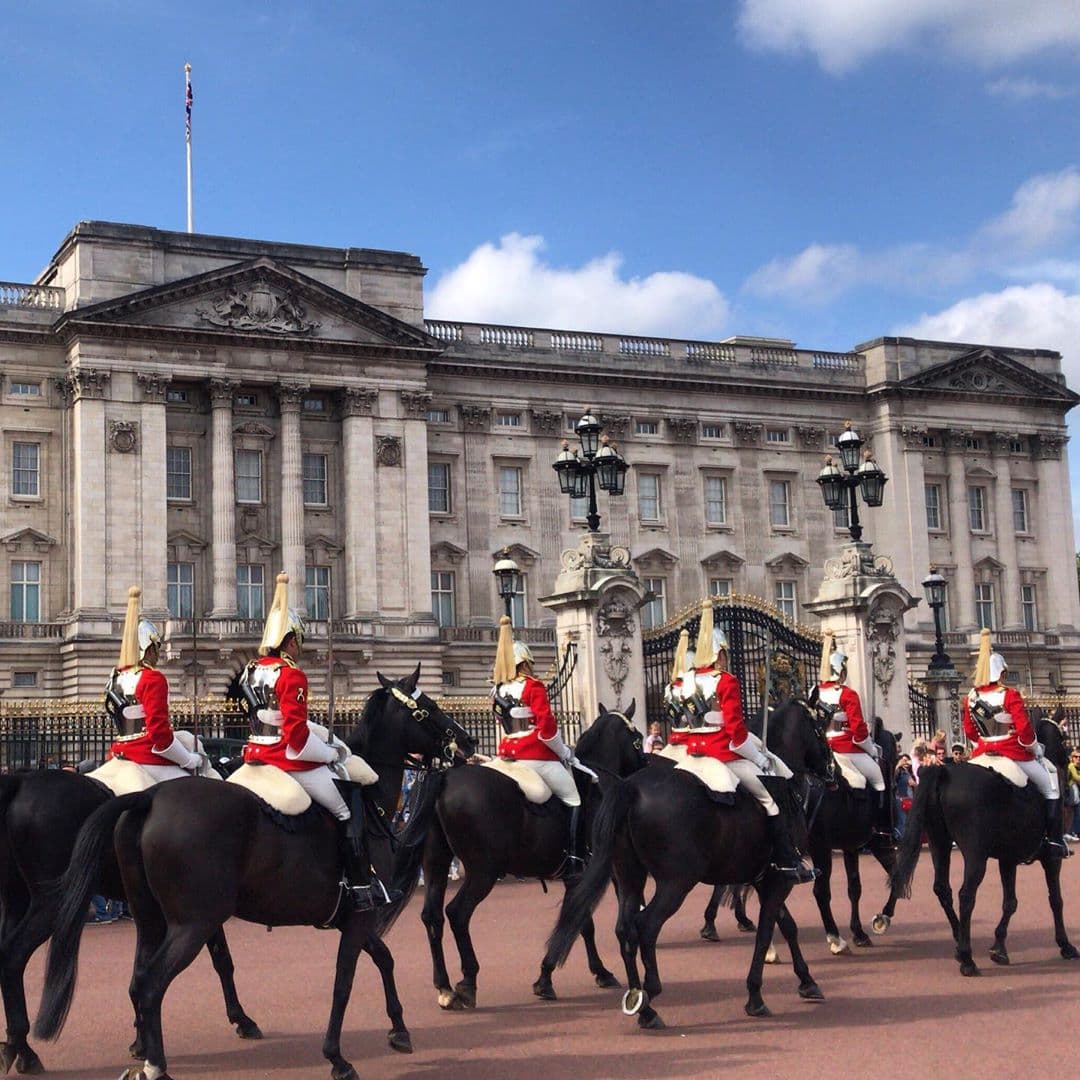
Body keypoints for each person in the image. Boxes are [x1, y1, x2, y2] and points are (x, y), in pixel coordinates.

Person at [240, 572, 397, 911]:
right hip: (285, 759)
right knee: (346, 805)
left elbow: (275, 719)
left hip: (255, 754)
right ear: (289, 640)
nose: (300, 644)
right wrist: (331, 754)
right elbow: (296, 739)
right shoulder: (291, 674)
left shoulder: (250, 671)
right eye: (297, 638)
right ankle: (359, 885)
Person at [682, 601, 815, 883]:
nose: (726, 658)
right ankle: (786, 860)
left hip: (692, 751)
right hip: (722, 751)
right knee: (770, 800)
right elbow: (735, 733)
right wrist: (759, 758)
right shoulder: (725, 680)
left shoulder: (687, 679)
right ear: (719, 653)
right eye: (725, 653)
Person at [961, 628, 1070, 859]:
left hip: (981, 753)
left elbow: (970, 731)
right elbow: (1024, 731)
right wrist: (1034, 748)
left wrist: (984, 742)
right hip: (1011, 752)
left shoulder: (970, 697)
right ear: (1000, 672)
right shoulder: (1009, 695)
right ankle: (1054, 840)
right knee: (1051, 785)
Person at [491, 616, 585, 878]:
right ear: (526, 662)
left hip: (507, 753)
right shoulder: (533, 687)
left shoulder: (498, 689)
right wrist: (564, 752)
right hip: (533, 755)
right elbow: (545, 727)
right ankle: (575, 857)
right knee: (574, 798)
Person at [104, 586, 206, 779]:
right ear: (148, 649)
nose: (157, 654)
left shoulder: (115, 678)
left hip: (119, 753)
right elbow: (159, 733)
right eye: (156, 648)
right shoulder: (152, 678)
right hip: (147, 757)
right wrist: (188, 760)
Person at [816, 633, 891, 840]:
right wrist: (872, 749)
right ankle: (879, 828)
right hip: (845, 749)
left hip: (823, 749)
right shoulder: (848, 694)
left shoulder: (815, 691)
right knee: (878, 778)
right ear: (840, 672)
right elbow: (858, 732)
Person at [894, 754, 915, 839]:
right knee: (902, 820)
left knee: (908, 821)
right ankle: (900, 839)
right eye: (904, 760)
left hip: (909, 800)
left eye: (907, 760)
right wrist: (898, 765)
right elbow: (893, 777)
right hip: (901, 800)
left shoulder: (909, 773)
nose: (906, 763)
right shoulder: (899, 771)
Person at [1067, 749, 1080, 842]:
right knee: (1073, 811)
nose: (1078, 759)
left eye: (1079, 757)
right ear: (1072, 758)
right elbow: (1076, 778)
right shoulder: (1071, 766)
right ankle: (1071, 831)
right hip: (1072, 789)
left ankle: (1074, 831)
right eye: (1076, 757)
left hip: (1075, 789)